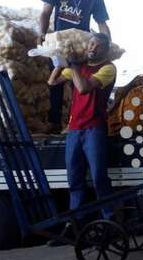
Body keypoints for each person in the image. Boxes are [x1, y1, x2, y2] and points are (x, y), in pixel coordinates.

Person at [47, 33, 116, 241]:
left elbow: (84, 88)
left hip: (94, 129)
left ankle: (110, 222)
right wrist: (59, 61)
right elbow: (52, 82)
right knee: (74, 180)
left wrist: (75, 67)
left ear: (105, 49)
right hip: (74, 130)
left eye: (98, 45)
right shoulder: (79, 67)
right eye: (91, 43)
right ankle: (74, 225)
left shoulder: (108, 69)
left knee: (98, 178)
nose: (92, 47)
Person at [39, 0, 111, 134]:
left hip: (82, 47)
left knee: (78, 83)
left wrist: (107, 46)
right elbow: (45, 14)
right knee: (55, 82)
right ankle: (54, 121)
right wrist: (41, 34)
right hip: (59, 44)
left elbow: (102, 23)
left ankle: (74, 122)